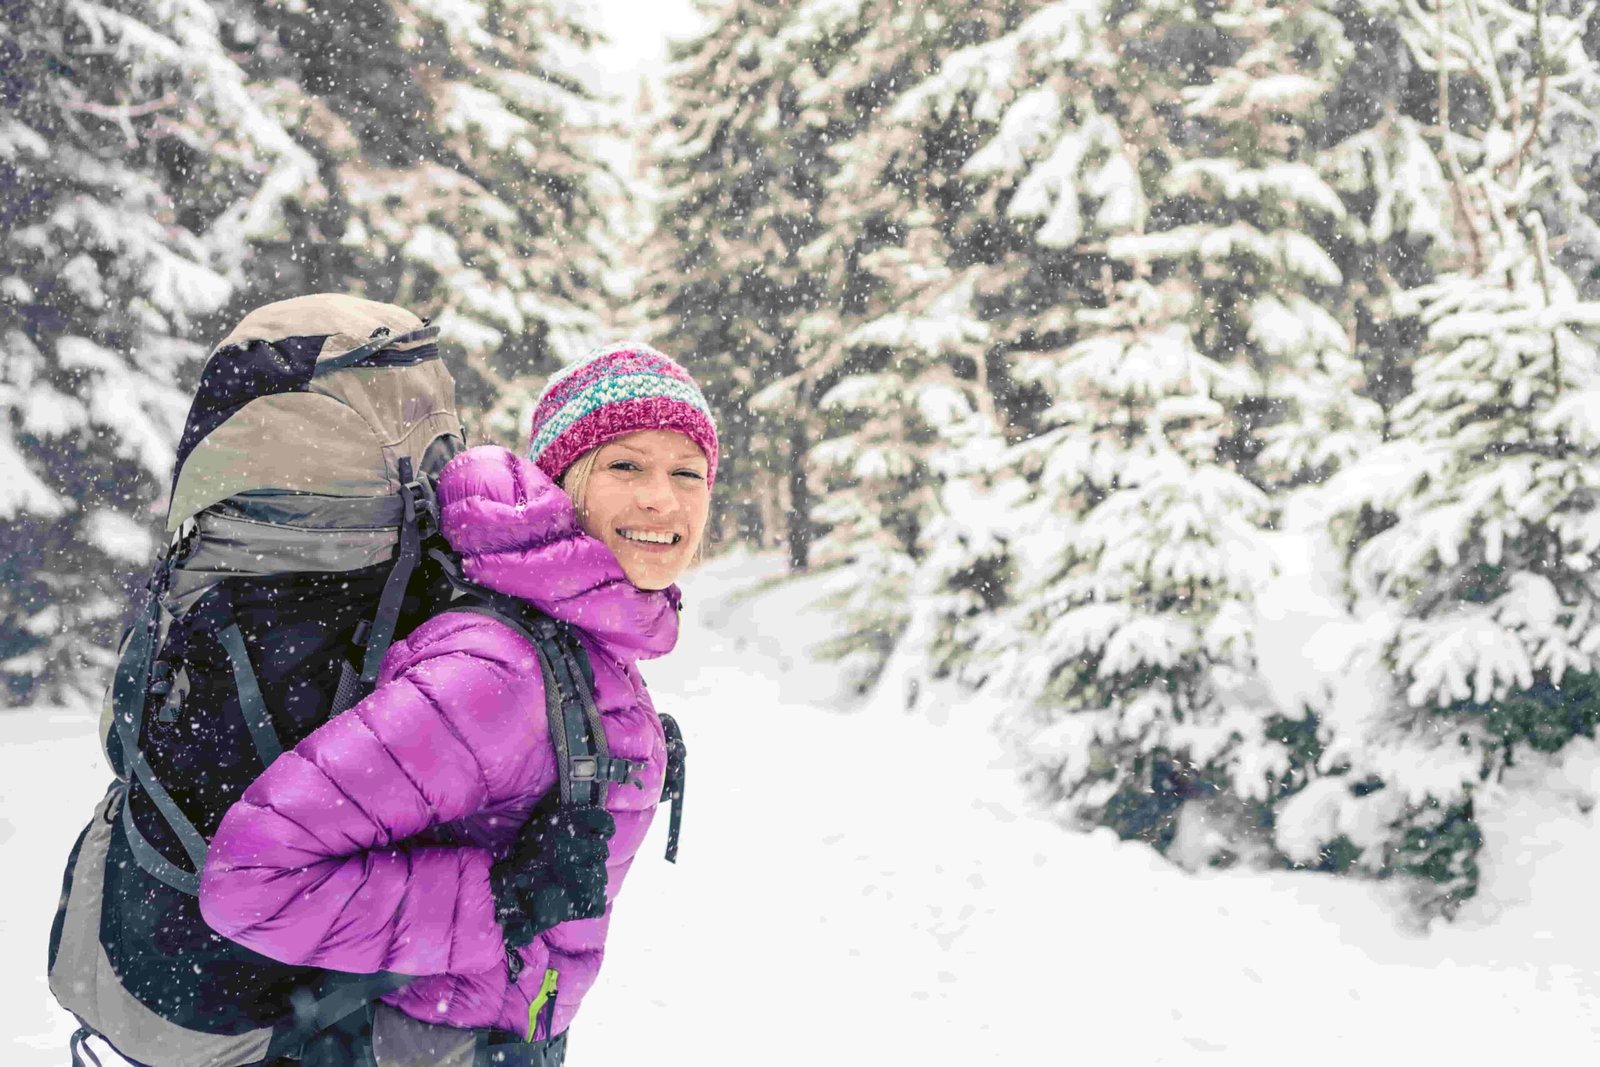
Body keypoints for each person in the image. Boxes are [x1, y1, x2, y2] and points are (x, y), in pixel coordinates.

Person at [196, 341, 718, 1065]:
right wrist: (501, 898)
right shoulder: (495, 675)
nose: (663, 498)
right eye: (625, 465)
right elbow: (248, 882)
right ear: (563, 480)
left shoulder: (582, 632)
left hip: (493, 1036)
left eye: (687, 472)